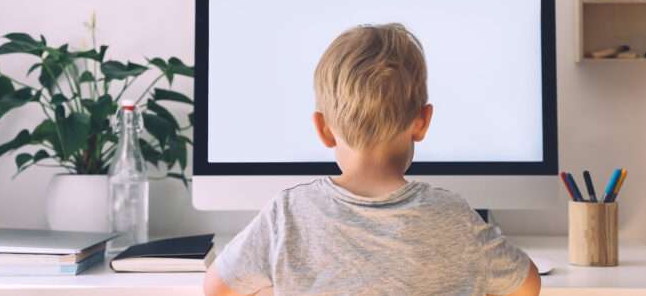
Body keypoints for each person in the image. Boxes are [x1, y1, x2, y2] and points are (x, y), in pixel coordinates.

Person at [204, 23, 541, 296]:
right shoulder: (453, 217)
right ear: (422, 122)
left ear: (323, 129)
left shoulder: (287, 214)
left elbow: (217, 287)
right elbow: (528, 285)